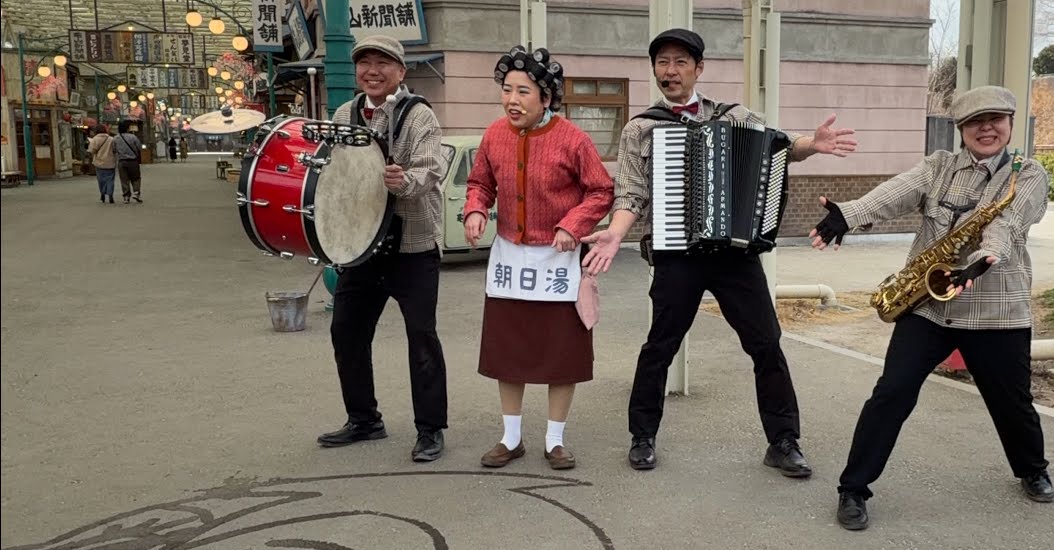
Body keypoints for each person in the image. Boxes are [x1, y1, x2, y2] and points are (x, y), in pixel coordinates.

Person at [581, 28, 857, 478]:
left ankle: (783, 441)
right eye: (662, 63)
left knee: (766, 344)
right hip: (677, 254)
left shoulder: (735, 116)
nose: (670, 71)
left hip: (734, 256)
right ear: (654, 69)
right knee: (660, 346)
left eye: (680, 62)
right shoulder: (642, 128)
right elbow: (631, 194)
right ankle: (642, 436)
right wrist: (615, 233)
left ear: (698, 69)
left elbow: (778, 145)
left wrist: (812, 143)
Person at [807, 85, 1054, 531]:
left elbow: (1008, 222)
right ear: (959, 129)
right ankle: (853, 489)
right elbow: (891, 194)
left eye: (996, 119)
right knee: (890, 394)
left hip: (996, 309)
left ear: (1010, 124)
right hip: (928, 307)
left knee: (1012, 403)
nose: (987, 128)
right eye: (975, 121)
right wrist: (848, 214)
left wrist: (982, 260)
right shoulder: (938, 167)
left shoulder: (1028, 174)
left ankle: (1032, 469)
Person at [463, 46, 615, 471]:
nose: (512, 100)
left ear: (546, 98)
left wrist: (573, 223)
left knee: (559, 353)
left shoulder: (574, 140)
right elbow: (480, 181)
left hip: (559, 260)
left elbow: (601, 190)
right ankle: (510, 438)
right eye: (507, 90)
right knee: (507, 350)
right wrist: (475, 208)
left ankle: (554, 440)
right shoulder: (494, 134)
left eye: (523, 91)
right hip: (510, 259)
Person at [316, 35, 450, 463]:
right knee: (346, 331)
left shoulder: (420, 115)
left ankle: (430, 429)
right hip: (362, 247)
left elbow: (430, 169)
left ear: (400, 71)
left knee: (421, 337)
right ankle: (364, 420)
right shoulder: (345, 112)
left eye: (382, 63)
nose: (371, 71)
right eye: (364, 63)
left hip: (412, 246)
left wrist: (403, 181)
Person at [114, 122, 143, 204]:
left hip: (122, 161)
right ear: (127, 128)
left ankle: (126, 196)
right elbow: (139, 147)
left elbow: (113, 149)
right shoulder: (133, 137)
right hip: (133, 161)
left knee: (124, 179)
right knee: (136, 178)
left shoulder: (116, 138)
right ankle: (136, 193)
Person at [87, 126, 117, 204]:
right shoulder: (111, 139)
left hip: (99, 163)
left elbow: (91, 150)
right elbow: (115, 150)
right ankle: (110, 195)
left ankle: (103, 193)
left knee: (101, 180)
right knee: (110, 180)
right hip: (110, 162)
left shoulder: (95, 139)